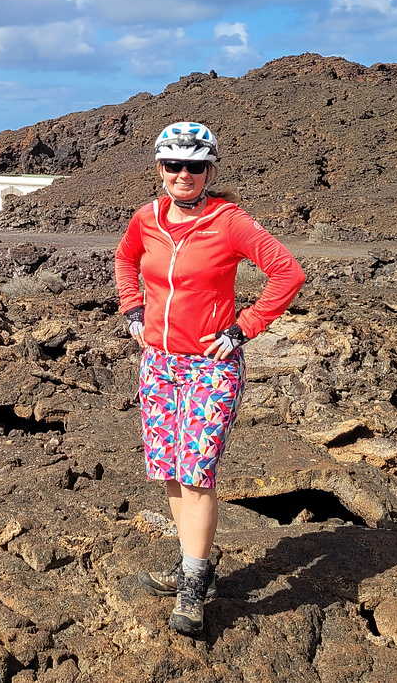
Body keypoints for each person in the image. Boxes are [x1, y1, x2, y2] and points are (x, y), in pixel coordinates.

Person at [113, 121, 305, 636]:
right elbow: (126, 260)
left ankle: (193, 589)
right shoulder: (146, 219)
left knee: (197, 473)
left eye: (194, 166)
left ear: (209, 170)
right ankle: (188, 562)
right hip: (158, 363)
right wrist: (133, 309)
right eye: (173, 164)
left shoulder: (231, 222)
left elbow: (288, 273)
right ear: (159, 168)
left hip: (209, 367)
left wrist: (245, 328)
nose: (183, 174)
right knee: (172, 470)